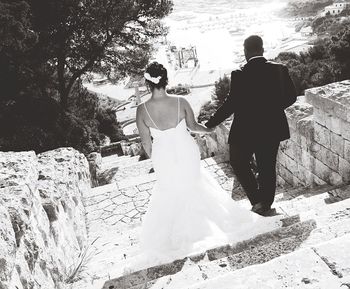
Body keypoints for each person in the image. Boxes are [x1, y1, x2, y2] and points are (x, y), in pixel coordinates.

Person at [133, 61, 281, 269]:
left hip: (163, 154)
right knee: (194, 186)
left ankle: (177, 234)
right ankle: (205, 226)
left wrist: (157, 157)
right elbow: (194, 127)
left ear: (148, 84)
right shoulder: (180, 101)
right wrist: (210, 130)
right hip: (186, 150)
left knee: (170, 190)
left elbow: (147, 143)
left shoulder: (142, 110)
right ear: (166, 80)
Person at [205, 35, 297, 216]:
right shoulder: (280, 69)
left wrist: (211, 124)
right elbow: (292, 96)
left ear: (245, 52)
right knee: (267, 167)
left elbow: (230, 104)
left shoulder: (239, 74)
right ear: (262, 50)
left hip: (244, 131)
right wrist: (273, 109)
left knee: (238, 162)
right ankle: (266, 204)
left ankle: (256, 200)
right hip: (272, 128)